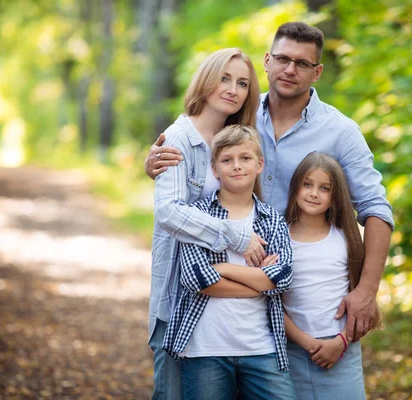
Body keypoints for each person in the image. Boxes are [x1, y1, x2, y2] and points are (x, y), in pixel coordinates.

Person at [145, 21, 393, 344]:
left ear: (316, 72)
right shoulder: (238, 115)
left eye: (302, 63)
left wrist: (367, 290)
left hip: (307, 300)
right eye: (283, 59)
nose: (290, 69)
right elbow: (197, 150)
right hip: (226, 300)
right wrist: (158, 163)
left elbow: (377, 209)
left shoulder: (341, 132)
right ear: (267, 61)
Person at [149, 48, 267, 400]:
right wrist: (235, 236)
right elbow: (168, 211)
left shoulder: (237, 140)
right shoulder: (178, 139)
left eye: (243, 83)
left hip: (231, 308)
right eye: (225, 78)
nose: (233, 89)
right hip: (181, 297)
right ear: (206, 79)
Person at [163, 125, 296, 400]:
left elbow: (281, 277)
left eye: (245, 158)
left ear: (259, 165)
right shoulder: (197, 216)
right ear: (215, 169)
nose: (236, 166)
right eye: (227, 160)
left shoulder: (271, 219)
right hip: (205, 349)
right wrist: (260, 282)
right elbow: (196, 280)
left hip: (262, 347)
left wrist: (221, 269)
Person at [283, 152, 379, 399]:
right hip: (292, 350)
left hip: (342, 350)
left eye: (324, 188)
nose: (314, 193)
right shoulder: (279, 237)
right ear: (295, 187)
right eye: (307, 184)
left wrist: (342, 342)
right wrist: (307, 343)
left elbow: (361, 302)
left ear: (335, 197)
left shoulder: (345, 239)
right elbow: (271, 302)